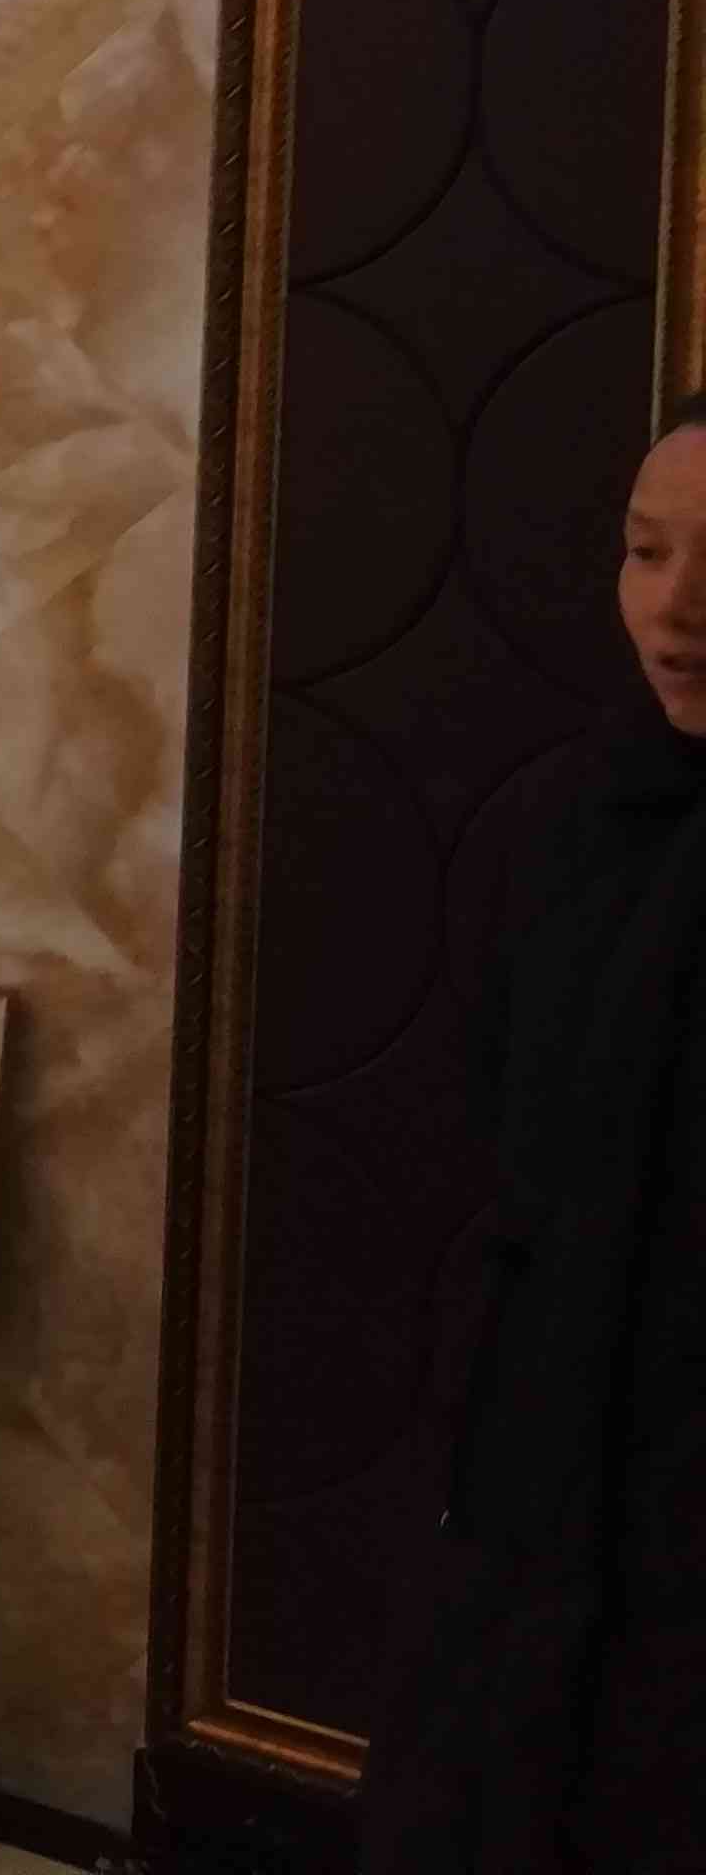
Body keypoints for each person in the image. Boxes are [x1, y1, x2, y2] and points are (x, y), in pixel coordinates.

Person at [362, 397, 706, 1870]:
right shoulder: (575, 815)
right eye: (645, 552)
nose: (675, 611)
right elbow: (500, 1122)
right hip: (542, 1447)